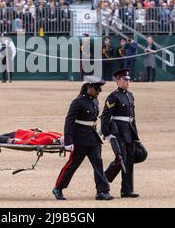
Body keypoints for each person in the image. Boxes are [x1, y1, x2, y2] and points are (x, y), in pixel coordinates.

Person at [52, 76, 113, 201]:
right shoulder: (78, 102)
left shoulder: (95, 101)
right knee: (72, 165)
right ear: (89, 87)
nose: (98, 92)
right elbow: (69, 121)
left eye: (99, 89)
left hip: (93, 138)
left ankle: (102, 191)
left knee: (98, 164)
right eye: (96, 89)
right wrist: (68, 141)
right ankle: (58, 188)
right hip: (79, 139)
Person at [100, 68, 140, 198]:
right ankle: (104, 179)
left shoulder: (130, 96)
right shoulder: (113, 96)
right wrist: (106, 133)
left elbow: (132, 118)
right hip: (118, 131)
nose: (127, 82)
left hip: (129, 131)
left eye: (128, 80)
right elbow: (105, 116)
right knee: (121, 159)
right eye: (124, 80)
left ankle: (127, 190)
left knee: (129, 161)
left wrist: (136, 136)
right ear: (117, 81)